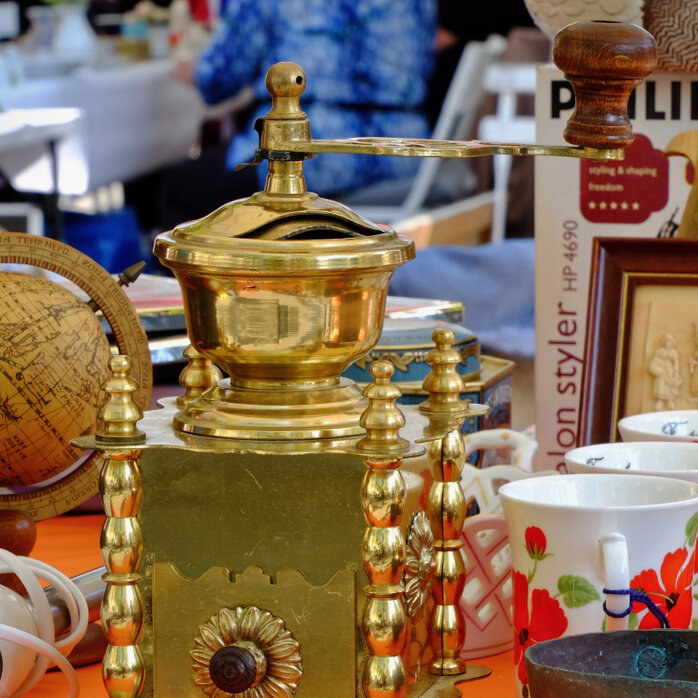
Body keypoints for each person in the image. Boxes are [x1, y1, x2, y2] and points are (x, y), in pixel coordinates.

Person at [156, 0, 437, 231]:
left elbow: (217, 78)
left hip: (314, 155)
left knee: (182, 187)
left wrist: (193, 71)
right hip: (402, 153)